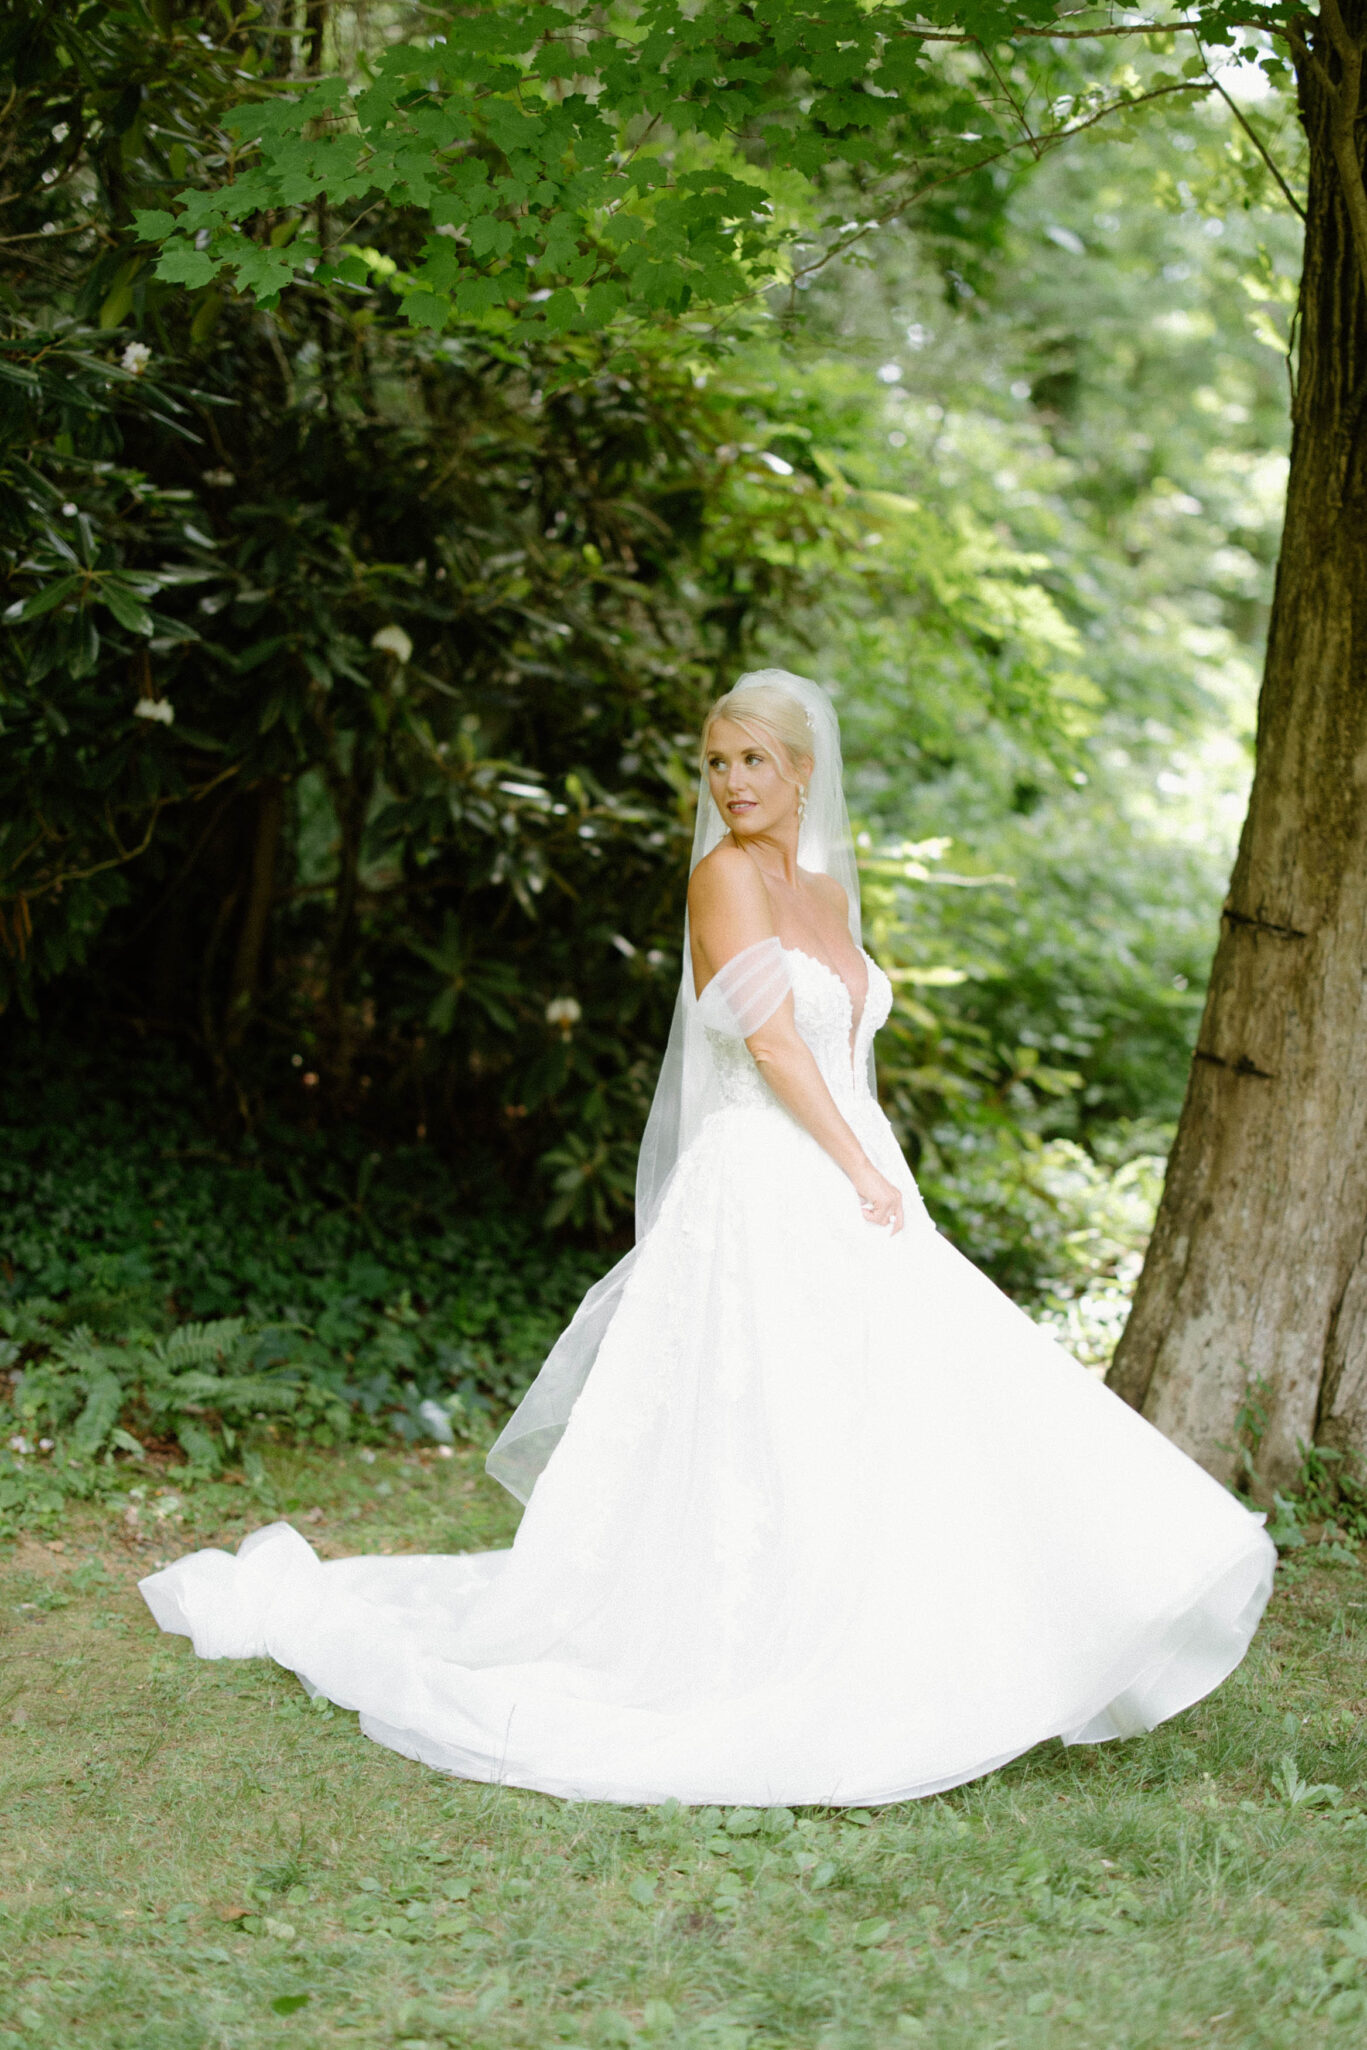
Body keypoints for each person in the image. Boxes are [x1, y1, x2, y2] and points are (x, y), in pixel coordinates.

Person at [141, 667, 1275, 1807]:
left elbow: (843, 1049)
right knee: (765, 1400)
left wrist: (878, 1168)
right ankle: (754, 1633)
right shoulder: (720, 881)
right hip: (766, 1174)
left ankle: (950, 1611)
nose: (731, 784)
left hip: (850, 1162)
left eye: (751, 762)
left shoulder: (826, 896)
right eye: (716, 763)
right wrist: (854, 1166)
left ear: (801, 771)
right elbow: (776, 1048)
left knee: (894, 1394)